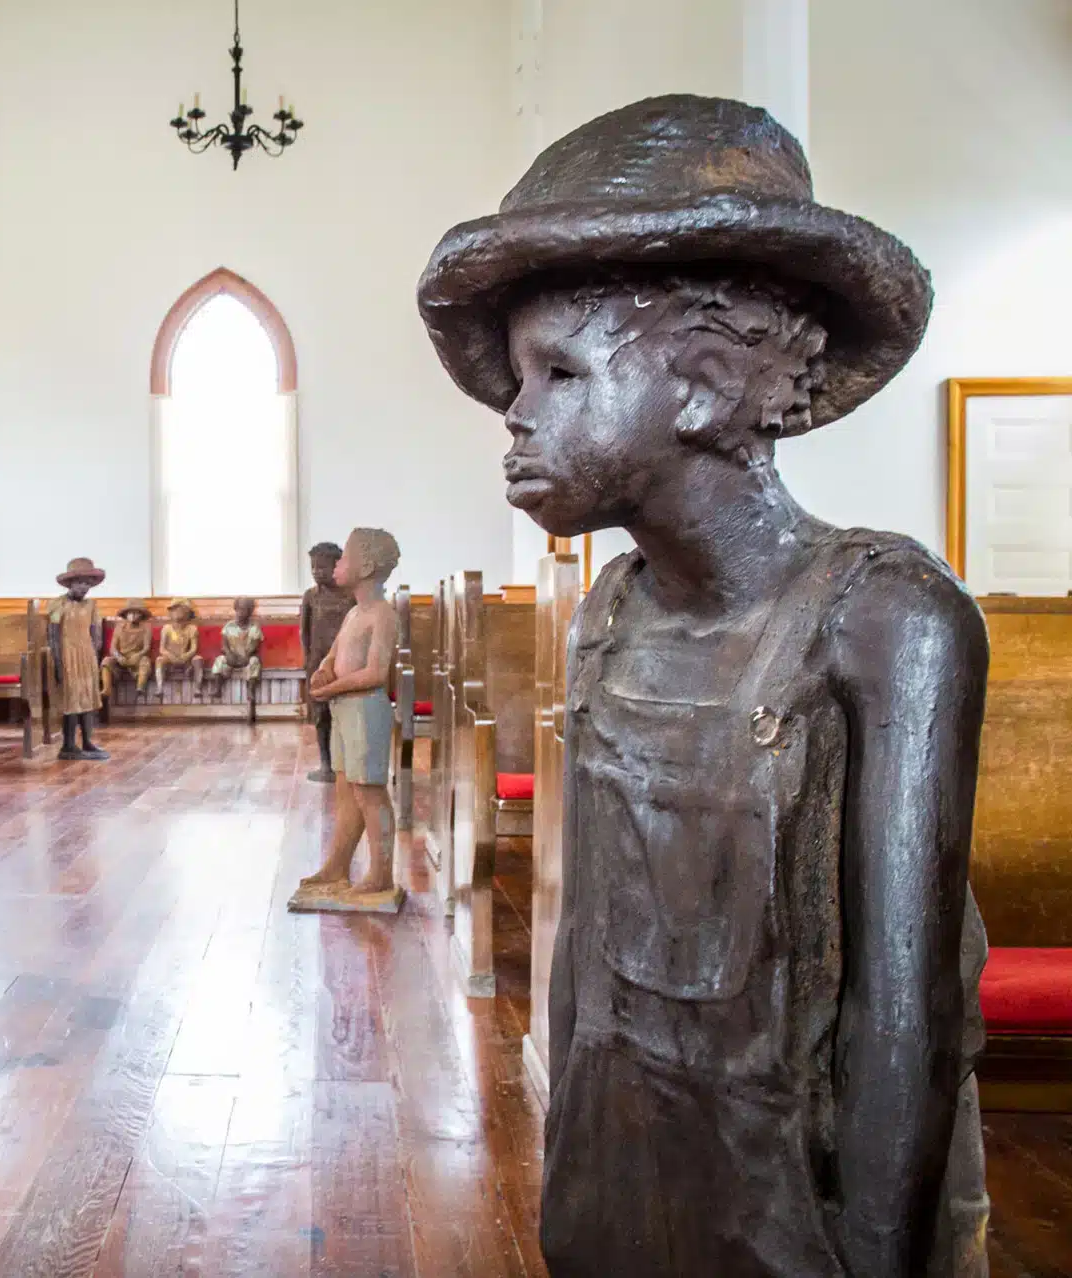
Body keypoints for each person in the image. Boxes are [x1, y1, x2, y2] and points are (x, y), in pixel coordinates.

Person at [418, 94, 988, 1276]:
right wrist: (572, 1167)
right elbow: (586, 949)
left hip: (804, 1198)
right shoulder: (614, 612)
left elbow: (906, 1022)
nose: (515, 416)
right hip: (631, 1164)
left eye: (560, 373)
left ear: (706, 384)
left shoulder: (884, 621)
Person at [291, 528, 402, 913]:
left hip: (364, 709)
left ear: (367, 566)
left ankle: (381, 873)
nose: (335, 565)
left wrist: (332, 689)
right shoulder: (354, 611)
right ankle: (337, 867)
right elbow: (334, 653)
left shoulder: (382, 614)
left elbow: (376, 673)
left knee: (370, 791)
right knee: (346, 791)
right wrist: (323, 671)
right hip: (343, 709)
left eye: (343, 558)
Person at [299, 542, 355, 782]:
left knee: (346, 712)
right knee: (321, 715)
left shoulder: (350, 595)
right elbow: (305, 633)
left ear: (337, 566)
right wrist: (310, 662)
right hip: (317, 663)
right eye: (313, 567)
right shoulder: (311, 596)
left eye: (321, 567)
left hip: (347, 663)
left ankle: (348, 763)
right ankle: (326, 764)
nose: (316, 571)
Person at [49, 557, 109, 760]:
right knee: (72, 699)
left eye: (88, 584)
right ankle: (68, 746)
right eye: (80, 583)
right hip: (68, 654)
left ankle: (87, 742)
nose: (84, 587)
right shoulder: (58, 604)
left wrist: (94, 655)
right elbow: (53, 634)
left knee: (87, 698)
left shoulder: (91, 606)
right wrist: (57, 661)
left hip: (86, 655)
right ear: (70, 583)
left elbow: (96, 634)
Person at [101, 600, 154, 700]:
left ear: (141, 615)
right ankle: (107, 689)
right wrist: (118, 656)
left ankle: (140, 688)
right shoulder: (119, 627)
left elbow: (146, 647)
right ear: (126, 614)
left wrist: (137, 655)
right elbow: (113, 647)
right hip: (121, 658)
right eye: (130, 612)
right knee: (106, 661)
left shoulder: (146, 628)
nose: (133, 615)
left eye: (136, 612)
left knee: (145, 661)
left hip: (136, 658)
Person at [210, 596, 264, 687]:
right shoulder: (229, 626)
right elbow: (224, 644)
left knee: (254, 661)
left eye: (244, 609)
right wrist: (228, 653)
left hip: (246, 658)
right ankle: (217, 687)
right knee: (219, 660)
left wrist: (246, 656)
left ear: (250, 611)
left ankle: (251, 691)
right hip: (231, 657)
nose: (240, 612)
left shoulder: (254, 627)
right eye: (238, 609)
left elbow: (255, 646)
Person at [153, 599, 201, 694]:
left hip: (186, 658)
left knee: (198, 659)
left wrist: (186, 656)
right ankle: (159, 688)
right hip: (170, 658)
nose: (177, 612)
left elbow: (193, 648)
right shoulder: (166, 629)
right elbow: (162, 649)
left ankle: (197, 688)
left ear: (187, 613)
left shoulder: (192, 628)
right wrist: (170, 656)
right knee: (159, 660)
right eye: (174, 610)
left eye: (180, 609)